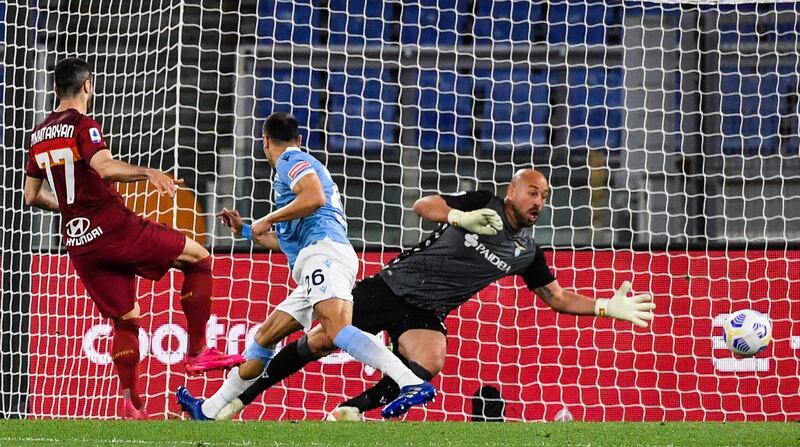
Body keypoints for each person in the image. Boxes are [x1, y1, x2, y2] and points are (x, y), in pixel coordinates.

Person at [212, 169, 656, 421]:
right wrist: (462, 217)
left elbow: (556, 297)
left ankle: (351, 411)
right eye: (532, 192)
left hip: (428, 309)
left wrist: (604, 306)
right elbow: (423, 206)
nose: (539, 200)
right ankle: (241, 398)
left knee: (431, 359)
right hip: (392, 286)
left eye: (545, 196)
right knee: (322, 339)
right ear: (512, 192)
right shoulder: (484, 202)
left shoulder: (527, 252)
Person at [175, 112, 435, 420]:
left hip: (323, 254)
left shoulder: (290, 160)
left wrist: (266, 219)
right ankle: (209, 410)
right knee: (265, 338)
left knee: (337, 329)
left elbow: (314, 197)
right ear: (299, 137)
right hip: (317, 258)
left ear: (265, 141)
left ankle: (411, 382)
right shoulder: (293, 175)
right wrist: (246, 230)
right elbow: (285, 241)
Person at [24, 58, 242, 419]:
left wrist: (70, 211)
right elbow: (105, 166)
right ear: (88, 86)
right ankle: (198, 351)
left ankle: (132, 403)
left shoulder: (38, 135)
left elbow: (31, 196)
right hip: (114, 229)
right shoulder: (84, 125)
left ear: (54, 89)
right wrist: (148, 173)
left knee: (126, 319)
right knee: (199, 257)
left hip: (80, 245)